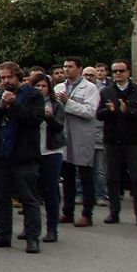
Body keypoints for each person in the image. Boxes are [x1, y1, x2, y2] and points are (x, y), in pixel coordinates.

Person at [0, 61, 45, 253]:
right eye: (2, 78)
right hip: (0, 154)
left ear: (19, 77)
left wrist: (14, 105)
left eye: (9, 77)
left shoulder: (33, 95)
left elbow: (34, 119)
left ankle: (32, 238)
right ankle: (3, 235)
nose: (6, 81)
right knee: (1, 198)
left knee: (28, 199)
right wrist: (1, 106)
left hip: (23, 155)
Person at [97, 58, 137, 226]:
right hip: (112, 140)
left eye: (121, 71)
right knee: (112, 177)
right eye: (115, 71)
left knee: (136, 178)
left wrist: (128, 111)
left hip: (132, 140)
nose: (118, 74)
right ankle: (114, 212)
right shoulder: (106, 91)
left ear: (128, 72)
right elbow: (98, 115)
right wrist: (108, 111)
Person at [49, 57, 101, 228]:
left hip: (82, 136)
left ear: (79, 69)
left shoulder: (90, 88)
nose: (66, 70)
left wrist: (68, 102)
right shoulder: (59, 87)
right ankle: (68, 212)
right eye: (64, 66)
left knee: (86, 176)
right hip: (64, 136)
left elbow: (89, 111)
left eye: (70, 67)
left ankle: (87, 214)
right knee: (68, 177)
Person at [29, 71, 66, 243]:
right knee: (31, 192)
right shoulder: (28, 103)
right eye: (37, 86)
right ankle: (31, 228)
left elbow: (59, 127)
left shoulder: (56, 105)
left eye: (44, 86)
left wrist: (49, 118)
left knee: (50, 190)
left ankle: (52, 229)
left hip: (51, 151)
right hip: (32, 151)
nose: (40, 89)